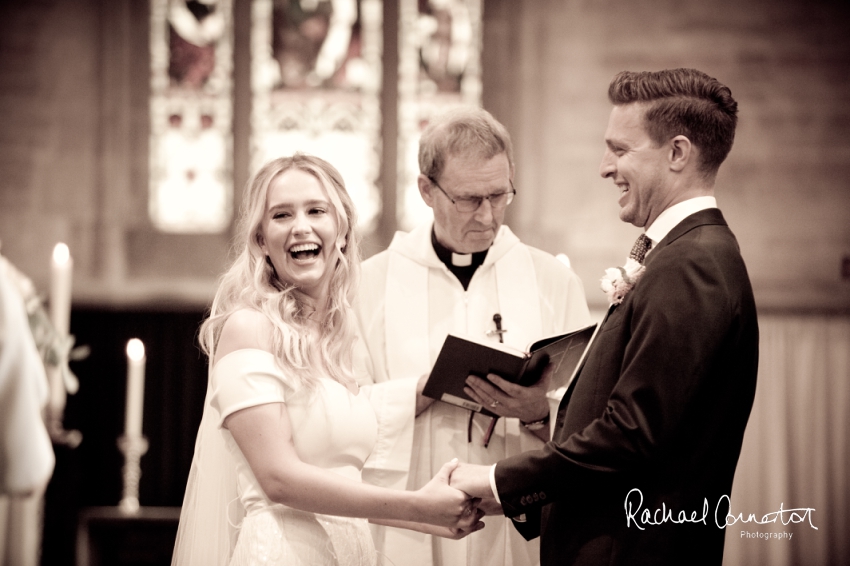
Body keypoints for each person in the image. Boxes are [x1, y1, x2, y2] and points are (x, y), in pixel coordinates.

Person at [450, 68, 759, 566]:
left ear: (678, 153)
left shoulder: (693, 263)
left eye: (620, 149)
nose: (603, 166)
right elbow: (653, 422)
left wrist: (498, 481)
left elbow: (632, 435)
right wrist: (542, 412)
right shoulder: (684, 254)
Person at [171, 154, 484, 566]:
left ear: (341, 230)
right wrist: (416, 506)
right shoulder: (248, 328)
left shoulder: (339, 340)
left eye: (316, 210)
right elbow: (279, 480)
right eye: (281, 215)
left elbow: (338, 484)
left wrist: (431, 520)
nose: (301, 225)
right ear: (262, 240)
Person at [354, 107, 591, 566]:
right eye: (468, 199)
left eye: (499, 195)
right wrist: (420, 392)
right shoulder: (369, 284)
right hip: (408, 524)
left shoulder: (552, 281)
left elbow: (587, 415)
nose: (487, 216)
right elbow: (341, 414)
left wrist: (538, 413)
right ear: (427, 190)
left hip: (512, 529)